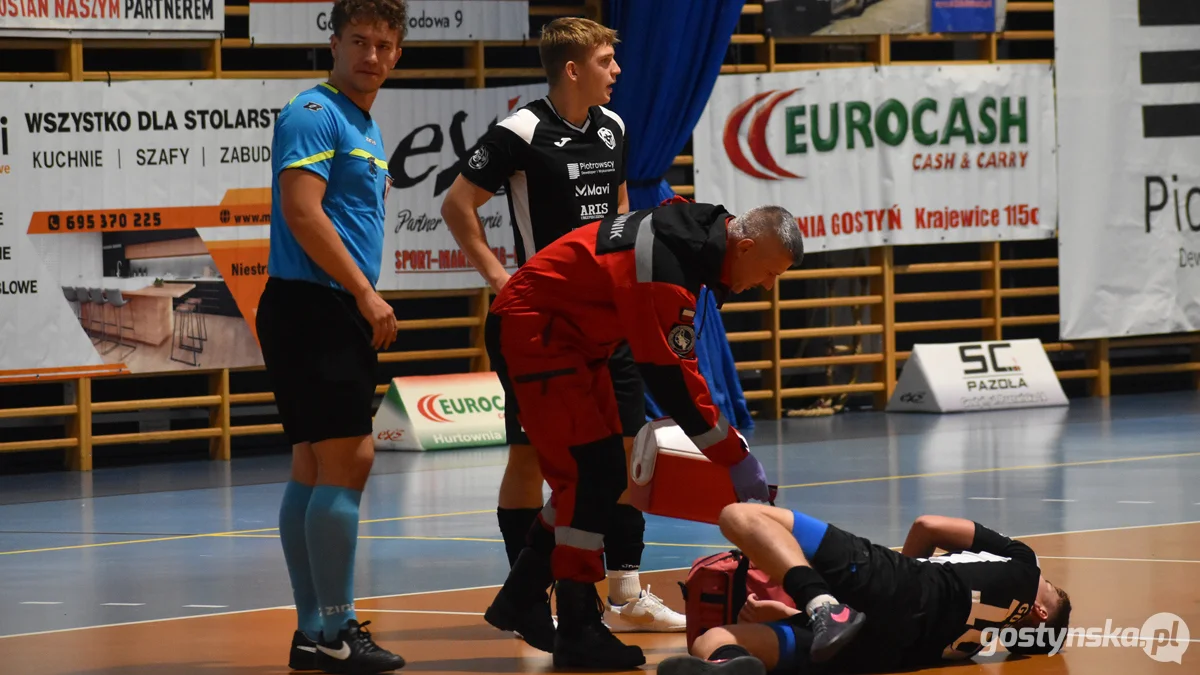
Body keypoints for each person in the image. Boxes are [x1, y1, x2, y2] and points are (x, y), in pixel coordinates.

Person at [478, 198, 800, 669]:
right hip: (536, 332)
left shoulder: (695, 237)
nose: (768, 287)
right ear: (746, 246)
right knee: (593, 475)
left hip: (576, 339)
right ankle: (576, 628)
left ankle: (522, 595)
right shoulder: (668, 261)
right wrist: (734, 457)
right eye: (771, 273)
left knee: (601, 475)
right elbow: (670, 377)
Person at [441, 17, 685, 632]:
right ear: (573, 70)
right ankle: (531, 594)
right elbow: (456, 203)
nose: (617, 71)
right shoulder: (520, 130)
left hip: (609, 320)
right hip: (542, 328)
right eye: (606, 60)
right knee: (530, 457)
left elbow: (622, 211)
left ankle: (626, 592)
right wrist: (502, 280)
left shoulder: (614, 129)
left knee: (631, 452)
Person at [254, 0, 408, 672]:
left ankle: (314, 629)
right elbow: (301, 210)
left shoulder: (363, 122)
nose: (370, 56)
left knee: (315, 466)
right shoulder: (315, 113)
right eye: (358, 41)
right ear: (335, 43)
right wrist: (365, 291)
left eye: (383, 45)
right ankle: (335, 626)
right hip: (315, 306)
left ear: (398, 52)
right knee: (350, 460)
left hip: (315, 307)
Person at [657, 504, 1073, 675]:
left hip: (902, 584)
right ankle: (726, 669)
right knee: (719, 639)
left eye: (1052, 590)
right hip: (879, 654)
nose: (1048, 581)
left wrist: (883, 575)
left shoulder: (1024, 566)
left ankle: (820, 603)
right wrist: (791, 618)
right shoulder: (971, 648)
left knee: (739, 515)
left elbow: (927, 525)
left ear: (1038, 612)